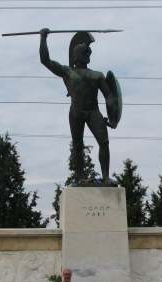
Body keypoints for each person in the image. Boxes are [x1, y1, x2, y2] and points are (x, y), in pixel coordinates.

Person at [39, 28, 116, 185]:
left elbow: (110, 97)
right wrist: (43, 38)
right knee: (78, 145)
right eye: (84, 52)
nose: (86, 55)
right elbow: (45, 60)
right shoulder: (67, 72)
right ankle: (80, 177)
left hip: (93, 111)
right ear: (76, 56)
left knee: (104, 142)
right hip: (76, 113)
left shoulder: (97, 75)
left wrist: (113, 117)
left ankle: (106, 177)